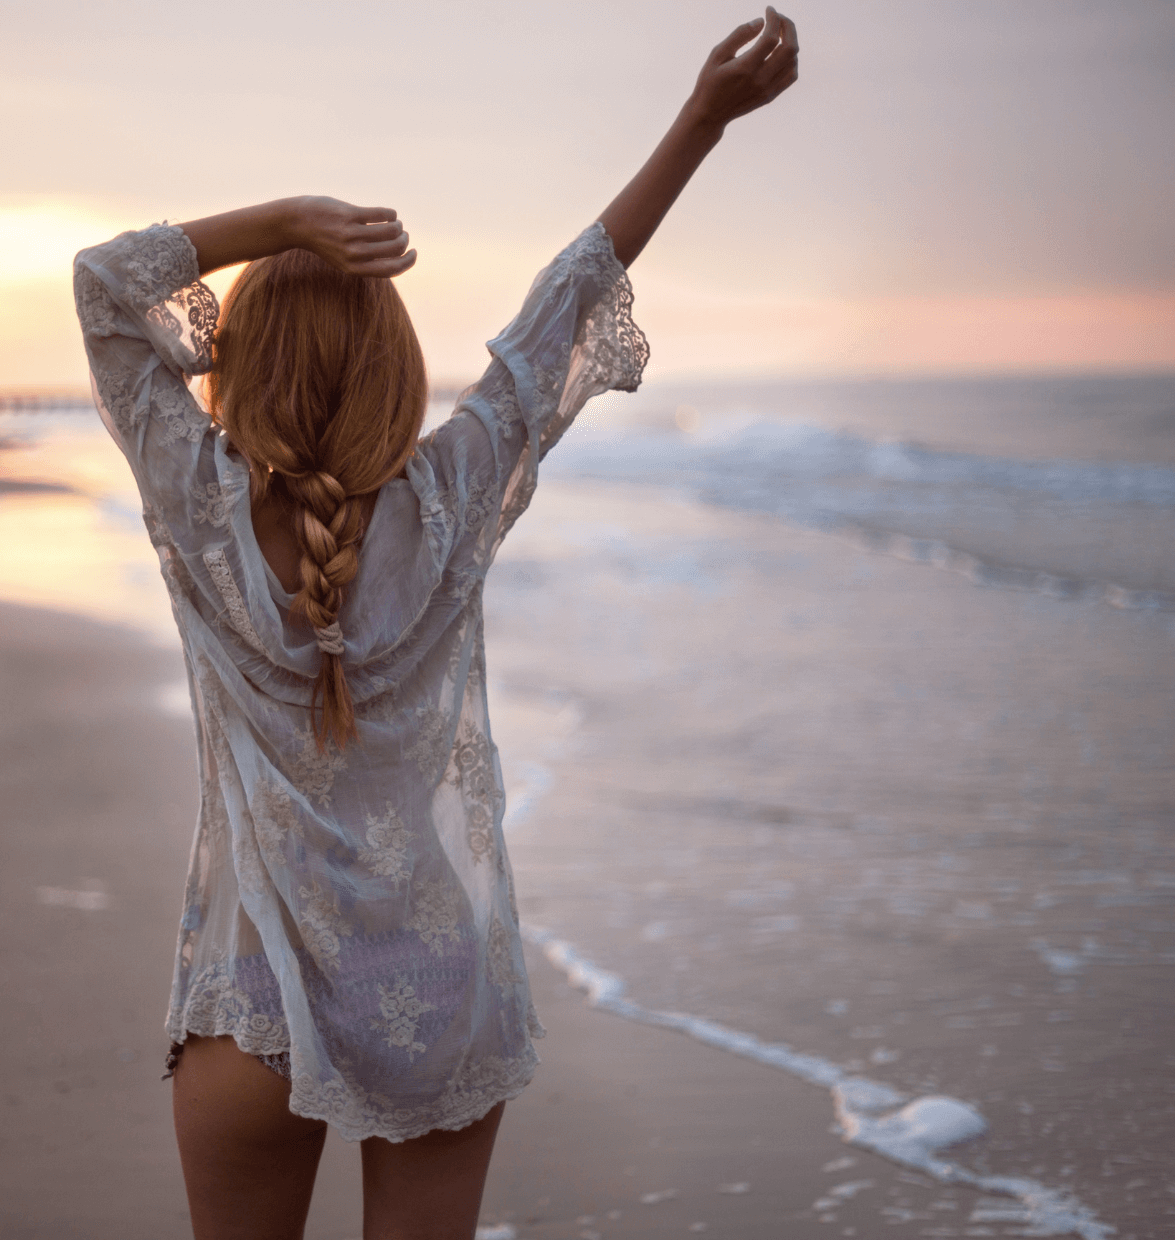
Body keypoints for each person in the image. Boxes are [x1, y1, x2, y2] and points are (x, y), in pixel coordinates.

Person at [71, 10, 798, 1237]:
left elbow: (103, 283)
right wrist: (700, 123)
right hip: (436, 981)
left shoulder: (198, 508)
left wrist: (286, 220)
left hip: (254, 987)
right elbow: (564, 306)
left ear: (234, 370)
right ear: (394, 370)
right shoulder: (455, 499)